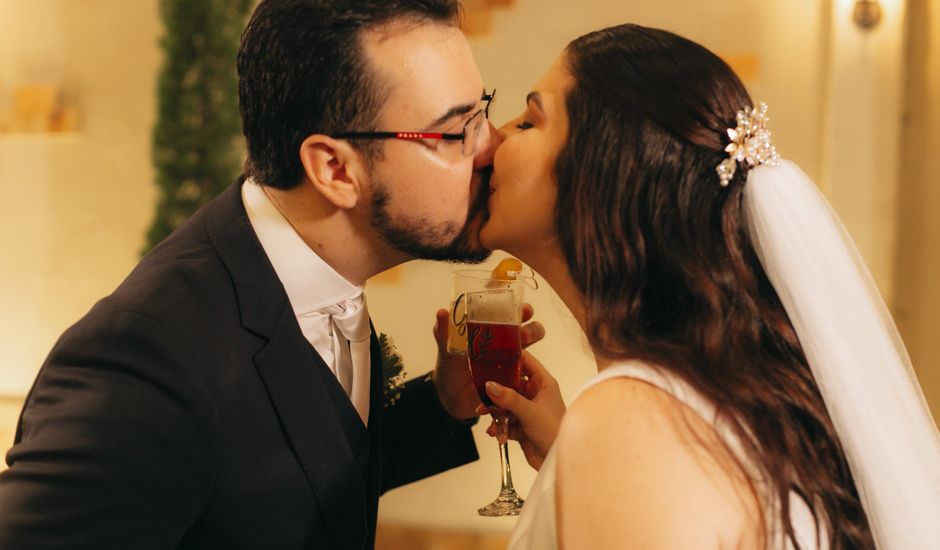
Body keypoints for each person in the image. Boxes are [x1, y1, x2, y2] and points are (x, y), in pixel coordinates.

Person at [0, 1, 545, 548]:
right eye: (456, 131)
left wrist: (443, 405)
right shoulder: (146, 359)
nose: (493, 146)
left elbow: (278, 480)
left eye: (482, 111)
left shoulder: (316, 268)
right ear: (334, 170)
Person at [477, 23, 940, 550]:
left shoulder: (633, 423)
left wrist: (605, 448)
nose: (497, 138)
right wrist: (570, 454)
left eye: (531, 120)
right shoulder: (725, 403)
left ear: (602, 171)